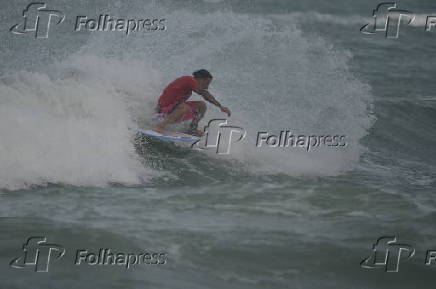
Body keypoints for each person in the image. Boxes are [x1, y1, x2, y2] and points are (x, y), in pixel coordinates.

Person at [154, 69, 231, 136]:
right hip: (162, 111)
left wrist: (220, 106)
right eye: (206, 83)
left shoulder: (190, 85)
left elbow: (204, 93)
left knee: (202, 105)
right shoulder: (189, 80)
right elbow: (204, 93)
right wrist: (220, 106)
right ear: (200, 79)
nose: (207, 87)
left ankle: (192, 129)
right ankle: (160, 126)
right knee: (185, 108)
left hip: (172, 111)